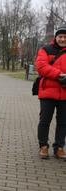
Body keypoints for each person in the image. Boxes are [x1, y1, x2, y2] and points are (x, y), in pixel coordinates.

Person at [35, 24, 66, 160]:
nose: (63, 39)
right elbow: (41, 67)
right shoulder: (45, 49)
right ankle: (43, 146)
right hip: (48, 92)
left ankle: (59, 147)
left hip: (64, 93)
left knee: (63, 122)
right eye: (60, 36)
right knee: (45, 120)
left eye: (65, 37)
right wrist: (60, 75)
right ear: (56, 37)